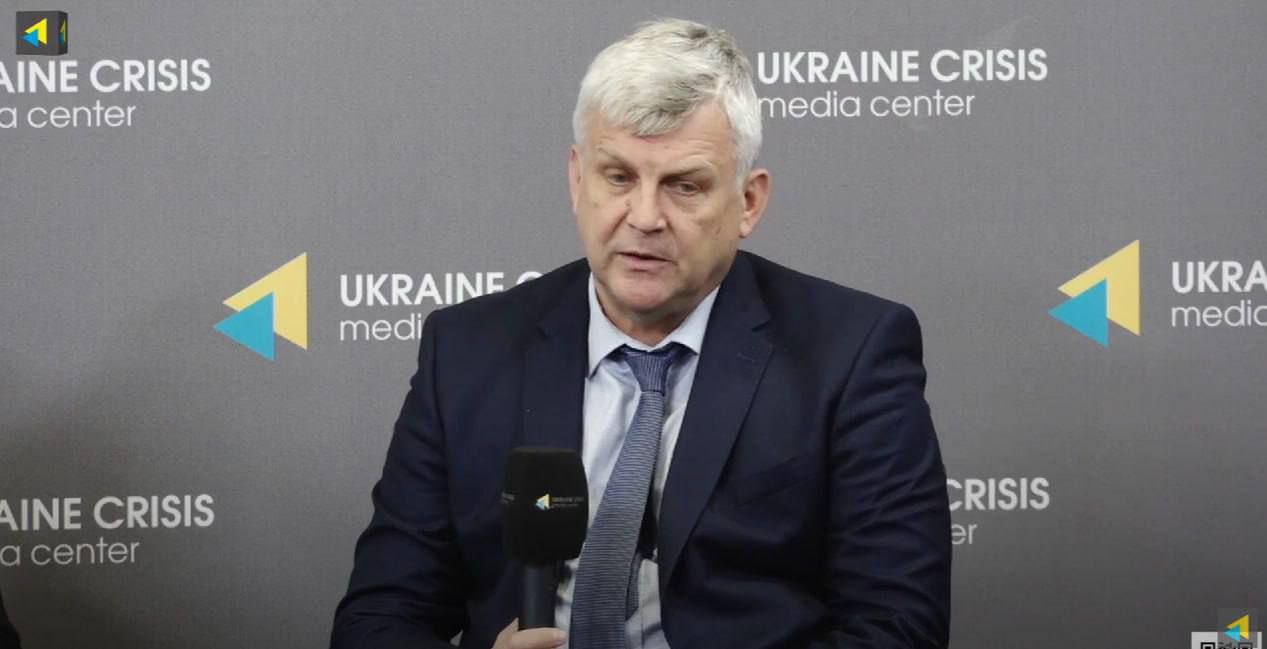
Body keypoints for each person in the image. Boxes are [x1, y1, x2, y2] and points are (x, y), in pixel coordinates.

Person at [332, 18, 951, 649]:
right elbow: (378, 618)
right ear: (578, 180)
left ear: (748, 203)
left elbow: (897, 627)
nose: (646, 217)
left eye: (685, 186)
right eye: (619, 177)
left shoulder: (851, 353)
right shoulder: (465, 350)